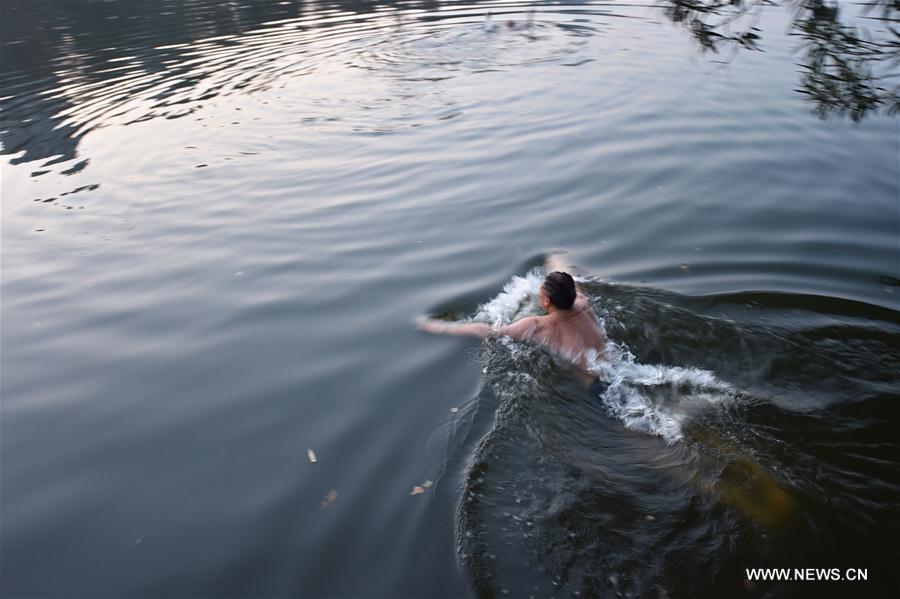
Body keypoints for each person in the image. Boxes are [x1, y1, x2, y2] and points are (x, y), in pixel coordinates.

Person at [417, 254, 608, 385]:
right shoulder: (583, 303)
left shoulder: (537, 326)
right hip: (615, 370)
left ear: (547, 301)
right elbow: (569, 279)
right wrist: (555, 258)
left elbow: (488, 331)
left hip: (595, 388)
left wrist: (441, 327)